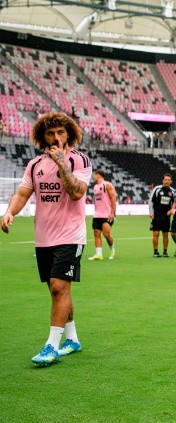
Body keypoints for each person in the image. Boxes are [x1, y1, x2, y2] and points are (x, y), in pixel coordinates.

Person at [1, 112, 92, 366]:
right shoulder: (34, 165)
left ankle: (51, 346)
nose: (55, 137)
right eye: (50, 133)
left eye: (61, 132)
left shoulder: (79, 161)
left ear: (69, 134)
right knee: (58, 292)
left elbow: (76, 193)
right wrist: (9, 212)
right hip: (44, 238)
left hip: (70, 236)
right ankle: (72, 339)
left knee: (58, 287)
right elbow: (22, 193)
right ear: (42, 136)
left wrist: (62, 163)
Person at [87, 169, 117, 261]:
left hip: (107, 214)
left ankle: (112, 249)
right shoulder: (95, 187)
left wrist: (112, 213)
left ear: (98, 175)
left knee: (106, 233)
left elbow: (113, 198)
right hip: (97, 215)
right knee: (96, 233)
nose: (93, 177)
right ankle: (99, 254)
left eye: (94, 175)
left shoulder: (107, 185)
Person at [149, 173, 174, 258]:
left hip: (166, 217)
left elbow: (175, 203)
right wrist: (151, 212)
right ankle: (155, 251)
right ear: (163, 180)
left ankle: (165, 251)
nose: (167, 181)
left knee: (165, 235)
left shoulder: (172, 191)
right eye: (165, 179)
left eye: (168, 180)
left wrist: (171, 210)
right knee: (156, 233)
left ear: (171, 181)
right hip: (156, 215)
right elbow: (151, 201)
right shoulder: (157, 189)